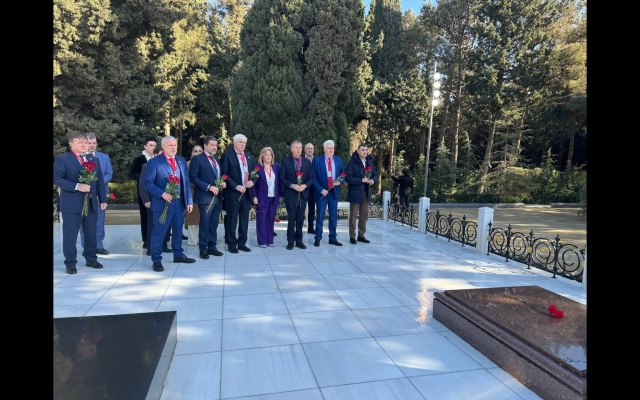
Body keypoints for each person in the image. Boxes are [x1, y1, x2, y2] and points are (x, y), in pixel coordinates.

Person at [53, 131, 108, 274]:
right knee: (70, 235)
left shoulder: (93, 159)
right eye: (80, 142)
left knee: (91, 233)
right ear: (71, 144)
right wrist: (77, 186)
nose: (84, 145)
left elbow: (99, 181)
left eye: (85, 142)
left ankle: (91, 259)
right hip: (71, 204)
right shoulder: (63, 159)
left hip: (91, 203)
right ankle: (70, 262)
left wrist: (103, 199)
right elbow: (56, 179)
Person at [143, 135, 196, 271]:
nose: (173, 148)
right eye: (170, 145)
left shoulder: (181, 160)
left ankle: (178, 254)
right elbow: (147, 183)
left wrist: (189, 200)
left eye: (175, 145)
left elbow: (186, 182)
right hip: (162, 204)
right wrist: (162, 193)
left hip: (179, 204)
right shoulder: (154, 162)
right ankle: (156, 259)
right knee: (159, 232)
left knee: (178, 230)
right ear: (163, 146)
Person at [189, 136, 226, 259]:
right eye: (212, 145)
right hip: (204, 198)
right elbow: (193, 178)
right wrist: (209, 187)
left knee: (214, 224)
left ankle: (212, 247)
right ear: (205, 146)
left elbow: (217, 176)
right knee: (204, 224)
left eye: (216, 145)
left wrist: (222, 183)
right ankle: (203, 248)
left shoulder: (216, 160)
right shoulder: (197, 159)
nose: (215, 147)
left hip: (217, 198)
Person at [220, 133, 257, 253]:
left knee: (244, 219)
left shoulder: (249, 156)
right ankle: (231, 243)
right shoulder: (227, 155)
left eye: (244, 143)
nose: (243, 145)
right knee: (232, 219)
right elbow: (224, 174)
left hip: (246, 193)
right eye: (240, 142)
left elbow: (255, 173)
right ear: (234, 142)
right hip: (232, 193)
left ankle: (242, 243)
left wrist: (252, 182)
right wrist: (236, 186)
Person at [80, 133, 113, 255]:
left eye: (94, 143)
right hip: (84, 194)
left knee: (99, 221)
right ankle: (86, 247)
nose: (92, 145)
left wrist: (97, 184)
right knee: (84, 222)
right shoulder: (80, 158)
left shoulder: (104, 157)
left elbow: (109, 173)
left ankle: (99, 245)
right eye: (89, 143)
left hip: (100, 194)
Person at [312, 139, 345, 247]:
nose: (331, 150)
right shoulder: (317, 160)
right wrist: (321, 189)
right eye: (329, 148)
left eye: (332, 148)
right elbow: (313, 177)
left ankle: (333, 238)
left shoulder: (338, 160)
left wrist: (339, 182)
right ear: (324, 149)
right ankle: (318, 238)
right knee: (320, 216)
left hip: (334, 193)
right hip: (322, 193)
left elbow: (343, 175)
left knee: (333, 216)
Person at [280, 140, 313, 250]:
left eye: (300, 147)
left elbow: (311, 178)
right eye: (296, 147)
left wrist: (305, 185)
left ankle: (299, 240)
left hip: (303, 193)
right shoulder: (286, 161)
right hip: (291, 194)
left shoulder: (307, 162)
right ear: (291, 149)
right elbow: (282, 178)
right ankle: (290, 241)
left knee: (300, 218)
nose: (298, 149)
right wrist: (292, 185)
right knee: (291, 218)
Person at [138, 147, 171, 256]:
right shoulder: (147, 166)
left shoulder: (169, 166)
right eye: (160, 155)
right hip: (152, 200)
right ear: (155, 155)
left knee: (165, 223)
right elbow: (142, 185)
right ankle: (150, 248)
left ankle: (163, 245)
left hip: (166, 199)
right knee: (152, 224)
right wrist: (146, 200)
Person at [345, 144, 378, 244]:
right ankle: (352, 236)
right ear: (358, 151)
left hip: (366, 192)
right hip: (355, 193)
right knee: (353, 216)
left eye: (366, 150)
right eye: (363, 150)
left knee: (364, 215)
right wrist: (361, 180)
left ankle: (361, 235)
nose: (365, 151)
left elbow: (375, 174)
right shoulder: (351, 163)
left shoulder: (370, 162)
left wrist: (372, 180)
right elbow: (348, 178)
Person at [129, 137, 158, 249]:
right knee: (145, 216)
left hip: (157, 192)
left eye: (155, 145)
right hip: (144, 191)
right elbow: (132, 174)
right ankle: (146, 239)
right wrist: (144, 176)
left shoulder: (158, 158)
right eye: (151, 145)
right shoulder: (139, 160)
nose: (153, 147)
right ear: (145, 146)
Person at [253, 147, 281, 248]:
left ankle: (270, 240)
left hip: (273, 197)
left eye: (270, 155)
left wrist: (280, 195)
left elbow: (279, 183)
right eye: (266, 155)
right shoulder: (257, 168)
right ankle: (262, 241)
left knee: (270, 219)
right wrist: (254, 196)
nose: (268, 157)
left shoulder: (276, 167)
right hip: (261, 197)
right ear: (262, 156)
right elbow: (253, 183)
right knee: (261, 219)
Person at [185, 145, 203, 246]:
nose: (198, 153)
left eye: (200, 151)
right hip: (191, 194)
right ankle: (192, 241)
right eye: (195, 151)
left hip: (204, 194)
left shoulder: (207, 163)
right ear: (192, 153)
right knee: (193, 218)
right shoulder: (187, 165)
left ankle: (203, 239)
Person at [304, 142, 316, 234]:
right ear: (305, 150)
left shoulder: (317, 160)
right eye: (308, 148)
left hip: (314, 188)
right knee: (300, 208)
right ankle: (298, 226)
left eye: (311, 148)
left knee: (312, 208)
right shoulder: (300, 159)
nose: (310, 150)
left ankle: (310, 227)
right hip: (303, 187)